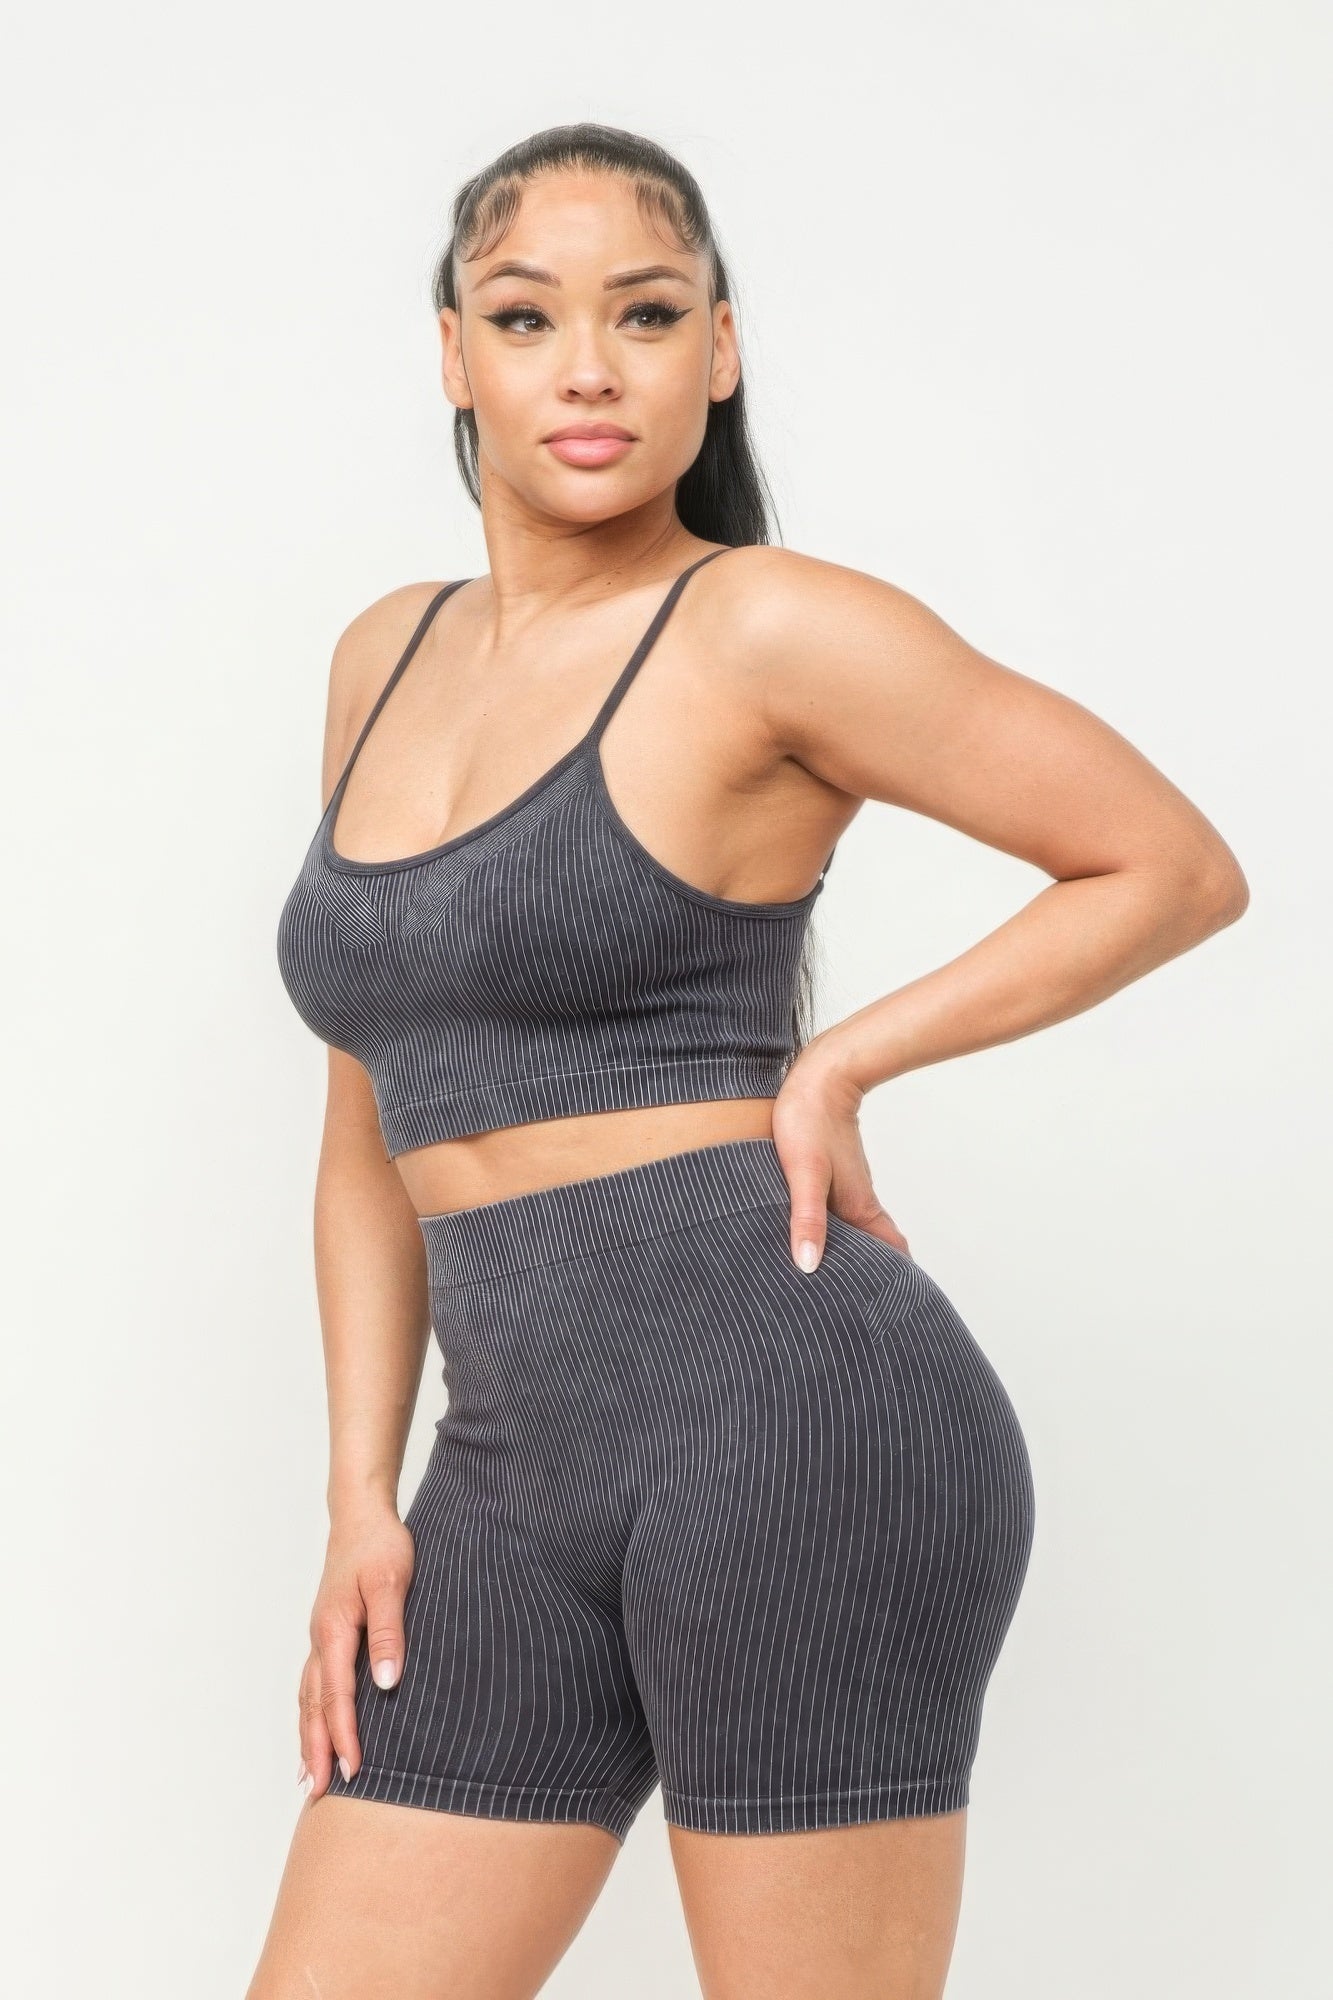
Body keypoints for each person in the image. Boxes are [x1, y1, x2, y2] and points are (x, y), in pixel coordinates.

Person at [250, 122, 1248, 2000]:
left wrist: (841, 1060)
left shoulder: (768, 628)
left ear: (719, 350)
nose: (588, 367)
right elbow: (364, 1120)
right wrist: (358, 1496)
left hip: (791, 1428)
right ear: (451, 355)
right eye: (524, 316)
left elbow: (1167, 865)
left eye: (646, 314)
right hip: (502, 1471)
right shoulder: (381, 657)